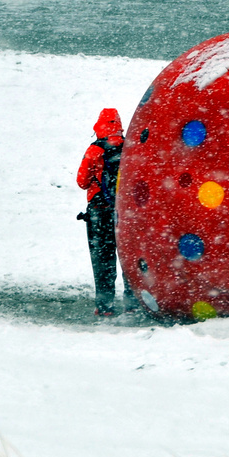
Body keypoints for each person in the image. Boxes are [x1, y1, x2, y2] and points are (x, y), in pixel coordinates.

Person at [76, 108, 126, 315]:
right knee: (127, 258)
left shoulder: (94, 150)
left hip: (99, 212)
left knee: (102, 260)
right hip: (125, 213)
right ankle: (133, 304)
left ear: (99, 126)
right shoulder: (129, 146)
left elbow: (82, 182)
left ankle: (105, 306)